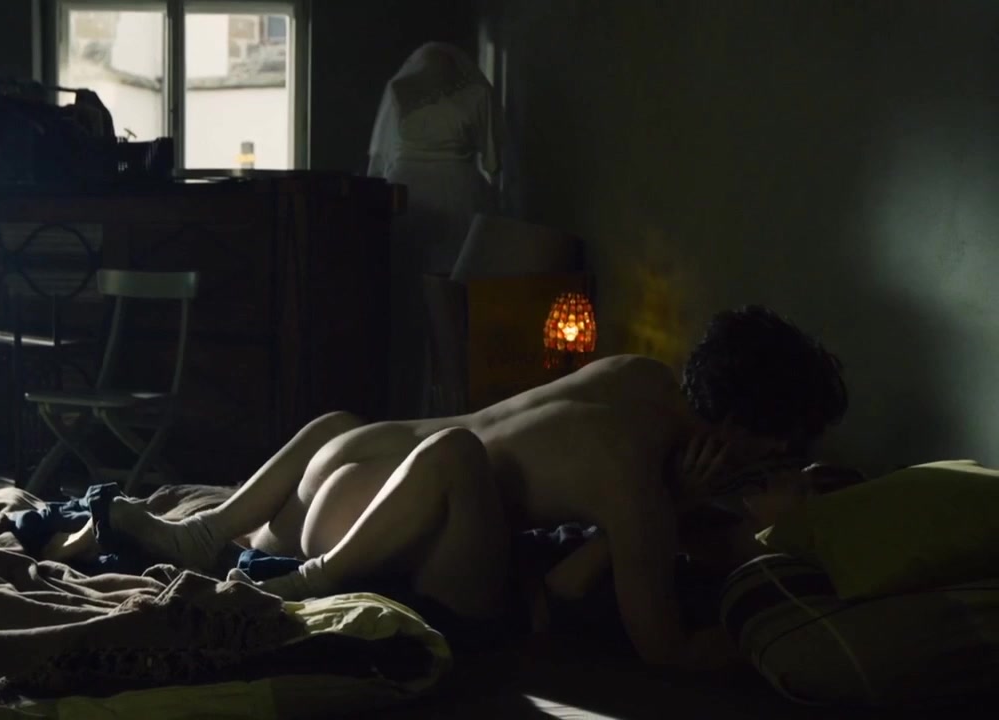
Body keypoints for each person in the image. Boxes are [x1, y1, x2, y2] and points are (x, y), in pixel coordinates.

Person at [48, 305, 847, 669]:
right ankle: (304, 582)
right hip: (391, 514)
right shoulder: (634, 482)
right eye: (775, 449)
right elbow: (664, 651)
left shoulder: (636, 374)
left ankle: (208, 531)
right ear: (744, 429)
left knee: (350, 421)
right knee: (459, 456)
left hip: (343, 469)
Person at [367, 42, 503, 418]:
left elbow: (382, 157)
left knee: (412, 297)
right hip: (461, 196)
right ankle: (454, 399)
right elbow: (494, 160)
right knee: (456, 300)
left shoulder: (400, 91)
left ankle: (411, 400)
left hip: (409, 196)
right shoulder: (478, 94)